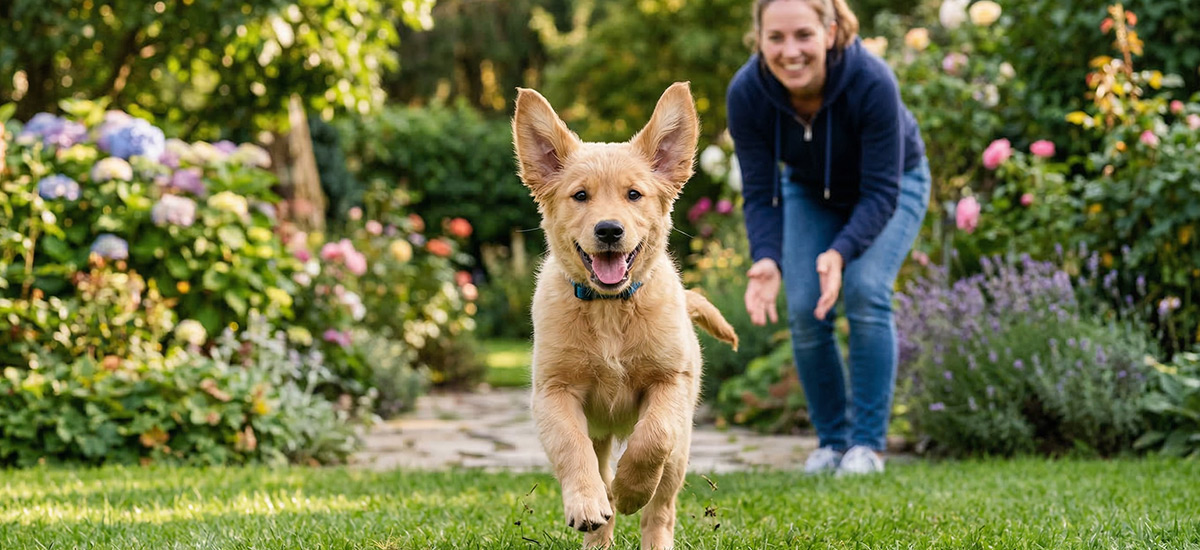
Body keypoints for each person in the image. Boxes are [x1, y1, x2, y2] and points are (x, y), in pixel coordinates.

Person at [726, 0, 930, 475]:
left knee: (865, 290)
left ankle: (867, 447)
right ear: (759, 39)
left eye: (803, 35)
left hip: (893, 185)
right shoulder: (747, 93)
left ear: (832, 31)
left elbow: (882, 191)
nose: (789, 51)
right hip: (810, 190)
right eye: (775, 38)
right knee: (802, 307)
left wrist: (840, 252)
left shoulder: (871, 81)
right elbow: (760, 193)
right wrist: (767, 259)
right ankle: (832, 443)